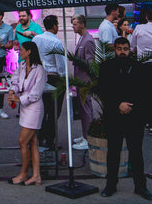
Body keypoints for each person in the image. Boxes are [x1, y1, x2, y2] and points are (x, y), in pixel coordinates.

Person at [96, 37, 152, 199]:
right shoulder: (106, 67)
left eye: (125, 49)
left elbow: (144, 91)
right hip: (114, 116)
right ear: (115, 49)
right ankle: (110, 185)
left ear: (130, 49)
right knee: (113, 152)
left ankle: (141, 186)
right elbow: (103, 90)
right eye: (120, 49)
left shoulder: (139, 67)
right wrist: (118, 105)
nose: (123, 52)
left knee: (136, 153)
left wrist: (131, 106)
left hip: (134, 116)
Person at [7, 41, 46, 185]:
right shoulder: (22, 66)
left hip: (34, 108)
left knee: (23, 141)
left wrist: (18, 98)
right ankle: (36, 175)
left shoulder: (40, 69)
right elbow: (16, 80)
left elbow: (36, 93)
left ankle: (24, 173)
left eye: (21, 50)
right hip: (25, 107)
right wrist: (12, 92)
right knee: (33, 141)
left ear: (29, 51)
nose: (19, 51)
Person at [32, 14, 65, 150]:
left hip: (39, 75)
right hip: (53, 76)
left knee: (42, 109)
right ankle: (49, 139)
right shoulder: (56, 42)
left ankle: (40, 137)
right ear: (55, 26)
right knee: (54, 111)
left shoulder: (36, 38)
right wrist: (64, 79)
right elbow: (61, 65)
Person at [71, 15, 98, 142]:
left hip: (84, 80)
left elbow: (90, 62)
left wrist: (76, 60)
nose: (73, 26)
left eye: (75, 24)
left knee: (86, 109)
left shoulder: (88, 40)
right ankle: (85, 134)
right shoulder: (82, 38)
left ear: (82, 24)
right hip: (79, 79)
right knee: (82, 109)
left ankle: (89, 138)